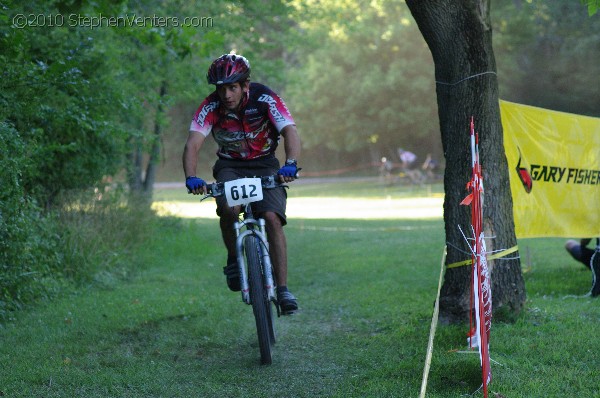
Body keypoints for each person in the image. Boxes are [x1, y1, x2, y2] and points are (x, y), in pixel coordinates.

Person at [182, 54, 301, 314]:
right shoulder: (210, 107)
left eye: (232, 87)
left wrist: (290, 163)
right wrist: (191, 177)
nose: (226, 94)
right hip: (230, 166)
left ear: (245, 85)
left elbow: (289, 130)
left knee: (271, 218)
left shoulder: (264, 98)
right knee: (228, 209)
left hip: (266, 163)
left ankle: (282, 290)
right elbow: (193, 143)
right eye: (221, 88)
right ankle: (234, 260)